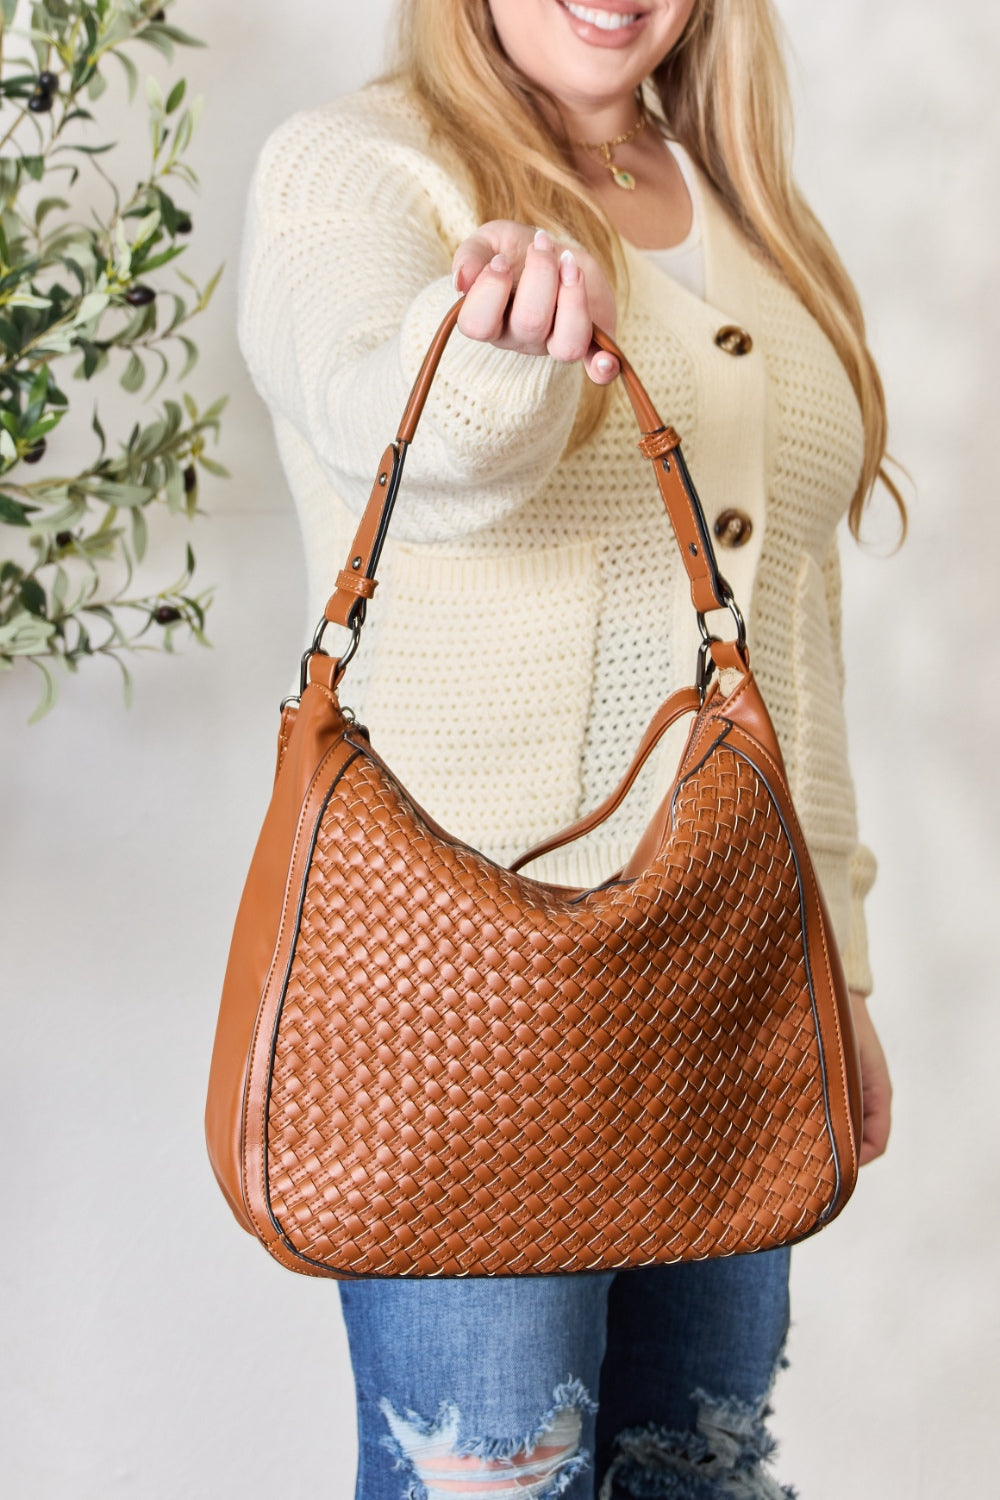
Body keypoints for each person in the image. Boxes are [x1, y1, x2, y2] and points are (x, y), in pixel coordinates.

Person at [237, 1, 897, 1495]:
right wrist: (493, 331)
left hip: (731, 1002)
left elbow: (792, 630)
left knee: (704, 1473)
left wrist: (838, 968)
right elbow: (391, 431)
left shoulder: (745, 204)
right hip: (464, 1019)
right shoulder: (354, 170)